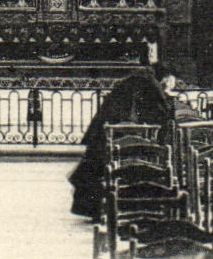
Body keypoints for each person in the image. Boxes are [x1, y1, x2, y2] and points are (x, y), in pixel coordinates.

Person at [68, 63, 179, 218]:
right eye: (172, 82)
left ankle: (98, 210)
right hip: (120, 133)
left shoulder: (138, 79)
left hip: (108, 130)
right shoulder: (149, 82)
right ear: (167, 78)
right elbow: (161, 111)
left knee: (98, 168)